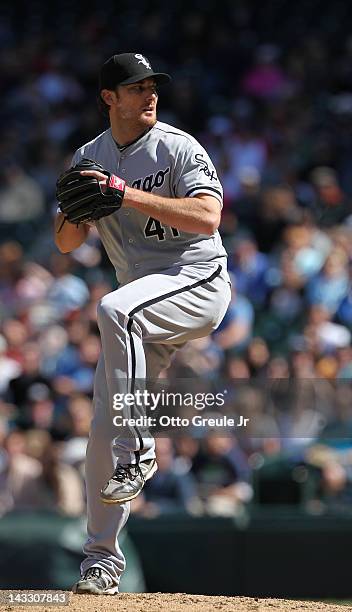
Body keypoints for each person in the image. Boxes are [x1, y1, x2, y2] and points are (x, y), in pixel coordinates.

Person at [54, 52, 231, 595]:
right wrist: (77, 212)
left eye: (152, 85)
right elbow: (65, 242)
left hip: (196, 281)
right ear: (110, 98)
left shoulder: (178, 146)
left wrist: (124, 193)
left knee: (113, 307)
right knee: (100, 432)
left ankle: (140, 450)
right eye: (136, 87)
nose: (149, 94)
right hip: (142, 307)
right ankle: (101, 562)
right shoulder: (89, 157)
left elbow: (208, 218)